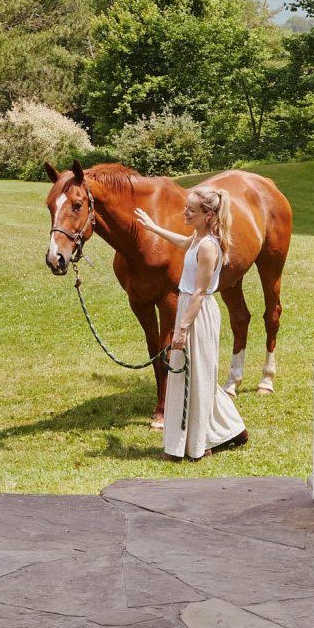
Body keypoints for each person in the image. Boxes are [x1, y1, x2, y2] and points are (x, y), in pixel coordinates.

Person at [134, 185, 249, 461]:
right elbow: (184, 244)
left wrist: (182, 328)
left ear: (208, 215)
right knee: (195, 375)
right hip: (189, 307)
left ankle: (199, 445)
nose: (185, 212)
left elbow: (200, 292)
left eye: (191, 209)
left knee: (195, 376)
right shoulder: (198, 238)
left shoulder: (209, 247)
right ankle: (231, 429)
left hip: (197, 311)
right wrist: (153, 227)